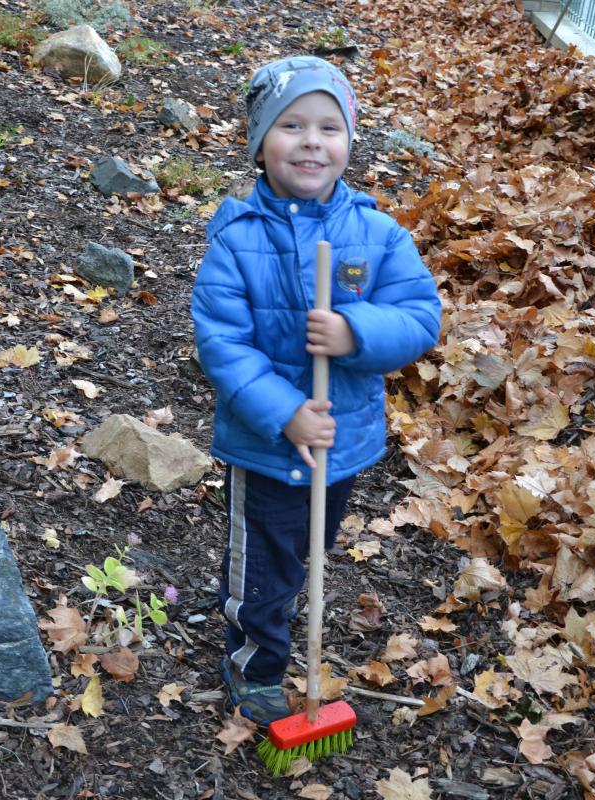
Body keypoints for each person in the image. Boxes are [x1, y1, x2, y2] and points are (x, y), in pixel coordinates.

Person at [190, 56, 442, 725]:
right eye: (291, 125)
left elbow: (420, 317)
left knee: (305, 555)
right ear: (259, 144)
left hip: (343, 441)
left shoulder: (378, 234)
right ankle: (256, 667)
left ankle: (273, 610)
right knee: (264, 567)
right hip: (267, 447)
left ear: (349, 142)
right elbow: (224, 345)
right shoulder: (236, 240)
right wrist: (286, 413)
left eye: (329, 128)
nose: (311, 141)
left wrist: (355, 332)